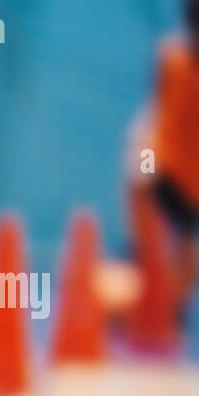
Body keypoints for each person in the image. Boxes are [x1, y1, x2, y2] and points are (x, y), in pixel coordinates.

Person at [142, 0, 199, 325]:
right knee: (142, 189)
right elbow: (156, 114)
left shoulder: (172, 57)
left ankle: (172, 305)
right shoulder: (171, 58)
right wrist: (149, 165)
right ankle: (151, 277)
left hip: (189, 175)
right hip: (168, 165)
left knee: (187, 240)